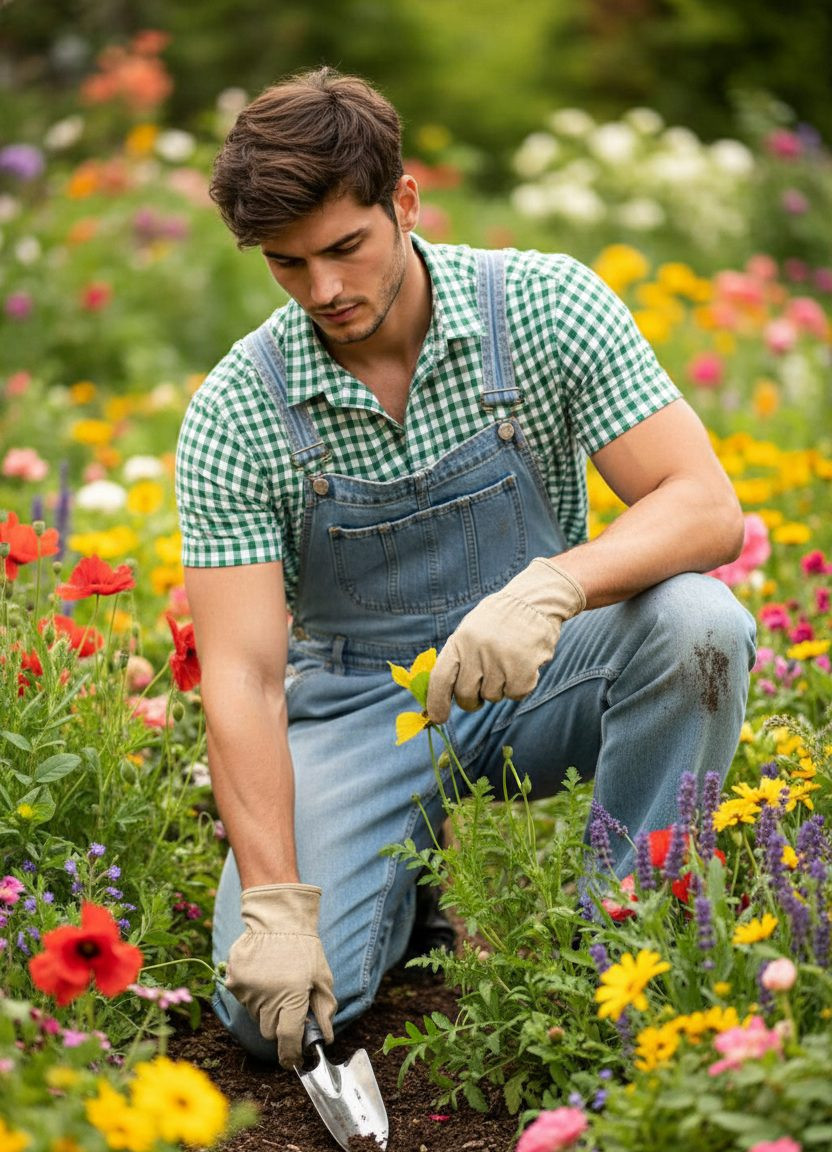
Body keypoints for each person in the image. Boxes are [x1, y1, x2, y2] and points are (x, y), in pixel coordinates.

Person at [174, 67, 756, 1070]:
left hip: (541, 667)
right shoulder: (236, 414)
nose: (325, 291)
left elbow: (705, 505)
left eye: (345, 248)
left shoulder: (541, 307)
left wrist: (553, 586)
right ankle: (405, 892)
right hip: (366, 708)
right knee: (273, 1014)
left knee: (702, 627)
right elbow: (243, 675)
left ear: (403, 200)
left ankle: (632, 952)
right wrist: (275, 903)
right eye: (287, 264)